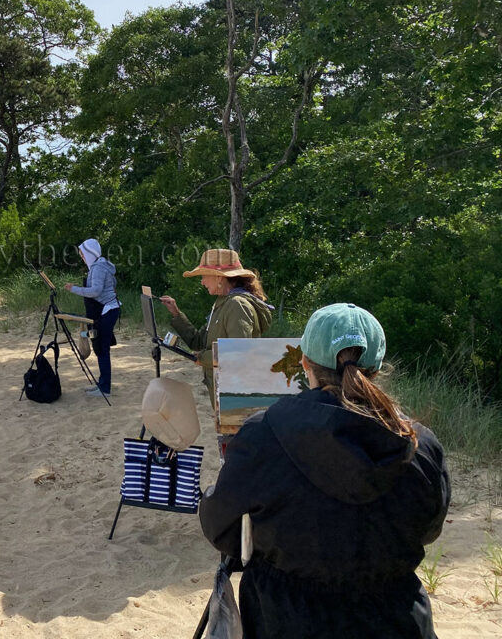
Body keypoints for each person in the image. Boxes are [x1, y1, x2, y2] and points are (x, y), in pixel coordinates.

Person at [198, 303, 451, 639]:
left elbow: (222, 530)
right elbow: (429, 528)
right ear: (377, 366)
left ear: (304, 362)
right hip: (396, 619)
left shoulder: (262, 435)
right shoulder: (421, 443)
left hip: (285, 620)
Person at [159, 248, 272, 407]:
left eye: (204, 276)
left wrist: (202, 358)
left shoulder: (236, 305)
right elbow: (198, 341)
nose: (202, 282)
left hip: (237, 396)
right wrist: (177, 314)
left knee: (235, 433)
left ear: (219, 277)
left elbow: (239, 353)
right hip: (226, 392)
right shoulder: (223, 303)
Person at [64, 239, 120, 397]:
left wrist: (74, 289)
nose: (81, 256)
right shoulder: (101, 265)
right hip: (108, 309)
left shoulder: (98, 268)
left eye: (82, 253)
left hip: (107, 311)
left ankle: (105, 388)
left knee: (102, 349)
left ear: (90, 253)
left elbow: (95, 291)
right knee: (101, 348)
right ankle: (102, 383)